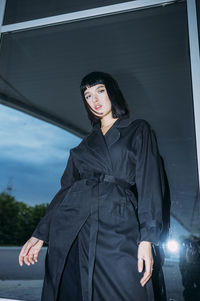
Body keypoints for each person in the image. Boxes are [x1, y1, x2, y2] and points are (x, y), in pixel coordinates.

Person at [18, 71, 167, 301]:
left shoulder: (137, 130)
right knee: (72, 289)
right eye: (87, 96)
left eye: (100, 91)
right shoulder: (83, 146)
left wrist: (147, 238)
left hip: (118, 223)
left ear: (112, 92)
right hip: (74, 225)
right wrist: (40, 234)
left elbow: (150, 184)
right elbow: (65, 191)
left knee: (128, 288)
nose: (94, 100)